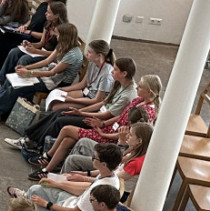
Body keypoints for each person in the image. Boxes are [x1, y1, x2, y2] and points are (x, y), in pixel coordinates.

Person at [33, 75, 162, 175]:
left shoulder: (148, 112)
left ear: (149, 92)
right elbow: (121, 116)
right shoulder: (138, 100)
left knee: (66, 129)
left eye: (140, 87)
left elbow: (126, 133)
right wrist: (102, 123)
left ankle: (47, 156)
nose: (137, 88)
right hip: (108, 130)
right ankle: (47, 169)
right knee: (67, 139)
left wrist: (102, 132)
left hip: (110, 138)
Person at [10, 51, 129, 155]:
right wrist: (79, 111)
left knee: (61, 119)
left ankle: (36, 144)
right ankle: (29, 137)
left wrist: (81, 112)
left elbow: (106, 113)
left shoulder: (124, 91)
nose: (112, 71)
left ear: (124, 74)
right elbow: (103, 102)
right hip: (95, 113)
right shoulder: (119, 84)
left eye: (116, 70)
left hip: (98, 119)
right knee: (59, 112)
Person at [0, 23, 83, 122]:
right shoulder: (63, 45)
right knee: (12, 79)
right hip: (49, 75)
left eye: (58, 35)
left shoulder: (73, 55)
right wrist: (27, 67)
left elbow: (52, 73)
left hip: (57, 82)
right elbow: (47, 61)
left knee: (18, 86)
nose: (56, 37)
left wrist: (29, 73)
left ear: (65, 36)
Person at [18, 142, 123, 211]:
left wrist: (47, 204)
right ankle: (26, 196)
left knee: (26, 209)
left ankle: (24, 201)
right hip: (72, 201)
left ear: (104, 164)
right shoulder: (110, 176)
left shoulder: (101, 188)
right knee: (37, 189)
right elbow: (86, 189)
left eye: (94, 157)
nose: (92, 159)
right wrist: (58, 184)